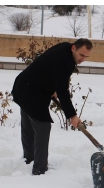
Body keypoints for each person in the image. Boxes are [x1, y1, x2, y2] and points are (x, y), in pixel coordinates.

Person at [11, 38, 93, 175]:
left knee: (29, 126)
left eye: (86, 56)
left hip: (24, 85)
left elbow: (50, 68)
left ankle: (29, 159)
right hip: (31, 91)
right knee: (42, 127)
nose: (83, 59)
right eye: (81, 55)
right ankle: (40, 169)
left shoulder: (65, 48)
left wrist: (52, 88)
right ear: (74, 48)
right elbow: (63, 90)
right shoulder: (66, 62)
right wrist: (72, 115)